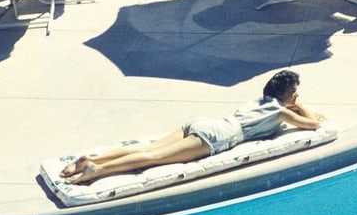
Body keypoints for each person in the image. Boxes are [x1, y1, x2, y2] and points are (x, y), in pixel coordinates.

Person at [60, 69, 324, 185]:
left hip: (207, 122)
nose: (297, 96)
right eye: (295, 92)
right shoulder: (280, 112)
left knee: (150, 147)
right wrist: (301, 104)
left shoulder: (261, 101)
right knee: (152, 158)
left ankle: (90, 158)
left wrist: (292, 104)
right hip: (218, 136)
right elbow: (312, 124)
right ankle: (97, 170)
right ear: (288, 94)